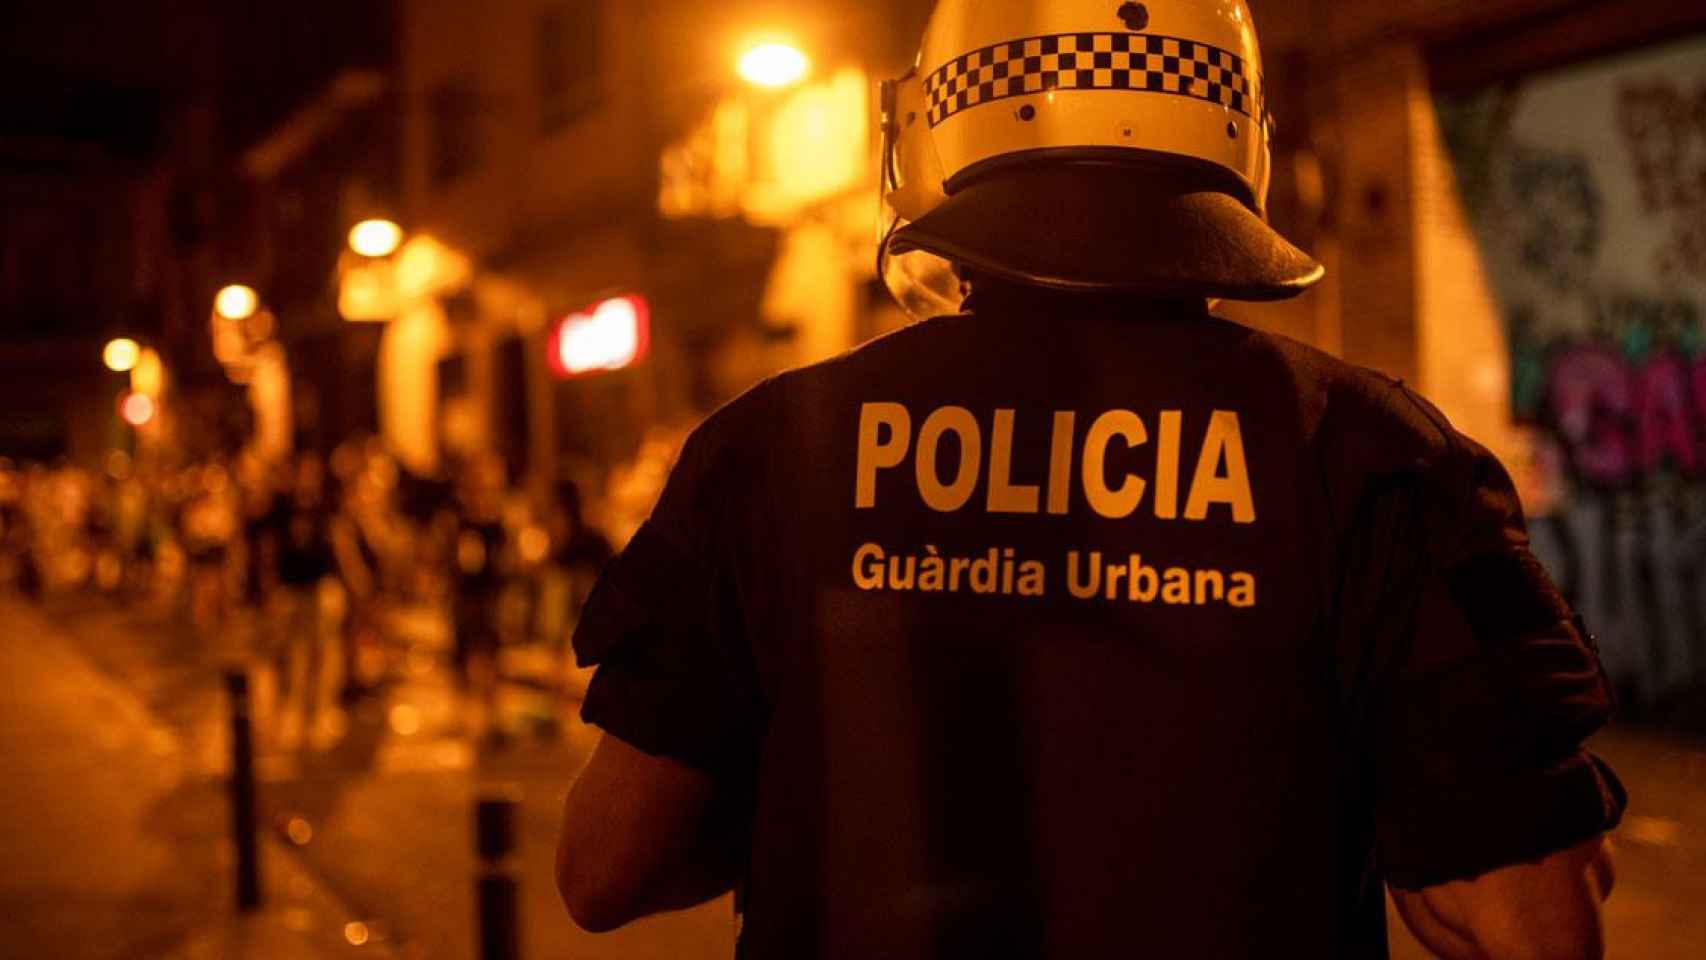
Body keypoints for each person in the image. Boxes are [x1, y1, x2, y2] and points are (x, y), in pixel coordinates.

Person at [556, 1, 1625, 957]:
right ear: (1236, 139)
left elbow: (607, 870)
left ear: (931, 134)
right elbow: (1528, 923)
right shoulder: (1369, 454)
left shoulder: (766, 449)